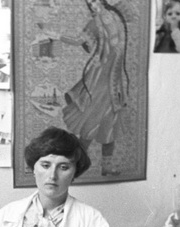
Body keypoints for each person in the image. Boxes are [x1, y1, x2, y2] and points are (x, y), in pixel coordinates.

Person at [55, 0, 130, 176]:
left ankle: (107, 166)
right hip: (98, 79)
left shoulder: (116, 17)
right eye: (90, 3)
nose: (93, 5)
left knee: (110, 124)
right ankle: (76, 165)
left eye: (95, 1)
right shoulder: (94, 23)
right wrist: (57, 35)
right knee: (91, 122)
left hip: (115, 80)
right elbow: (78, 41)